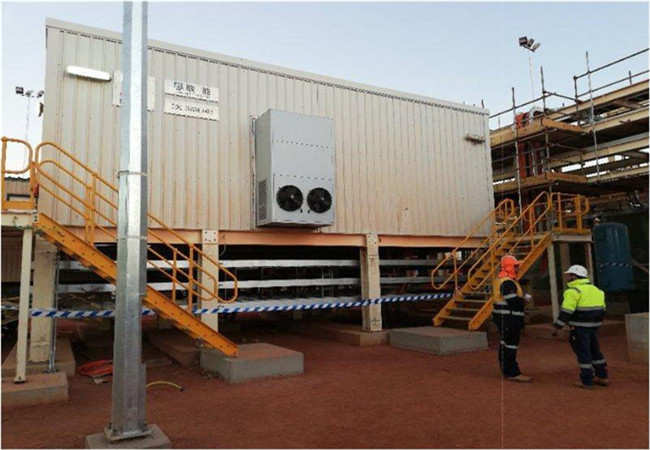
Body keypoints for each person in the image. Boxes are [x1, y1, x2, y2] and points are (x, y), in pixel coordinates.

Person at [552, 264, 609, 389]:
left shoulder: (573, 291)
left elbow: (566, 312)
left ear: (574, 276)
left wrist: (557, 327)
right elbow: (603, 309)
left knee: (583, 352)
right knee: (595, 351)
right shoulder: (597, 290)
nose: (568, 278)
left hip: (579, 327)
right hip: (594, 327)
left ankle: (586, 381)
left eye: (569, 275)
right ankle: (602, 376)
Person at [493, 255, 533, 382]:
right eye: (515, 266)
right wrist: (524, 300)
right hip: (509, 319)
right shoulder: (507, 282)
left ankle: (507, 369)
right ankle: (513, 372)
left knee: (505, 343)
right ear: (509, 267)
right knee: (510, 345)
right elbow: (513, 301)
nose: (517, 268)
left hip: (505, 318)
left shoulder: (503, 280)